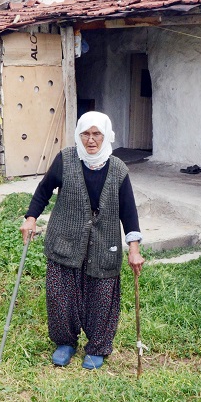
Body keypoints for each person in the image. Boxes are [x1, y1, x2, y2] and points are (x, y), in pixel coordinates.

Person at [20, 111, 145, 370]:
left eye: (96, 134)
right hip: (65, 239)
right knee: (60, 294)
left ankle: (97, 346)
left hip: (104, 244)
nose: (91, 140)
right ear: (79, 135)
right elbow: (43, 191)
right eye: (85, 134)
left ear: (106, 136)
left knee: (102, 296)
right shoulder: (66, 159)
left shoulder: (119, 169)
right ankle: (65, 343)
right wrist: (31, 218)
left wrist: (134, 248)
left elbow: (129, 211)